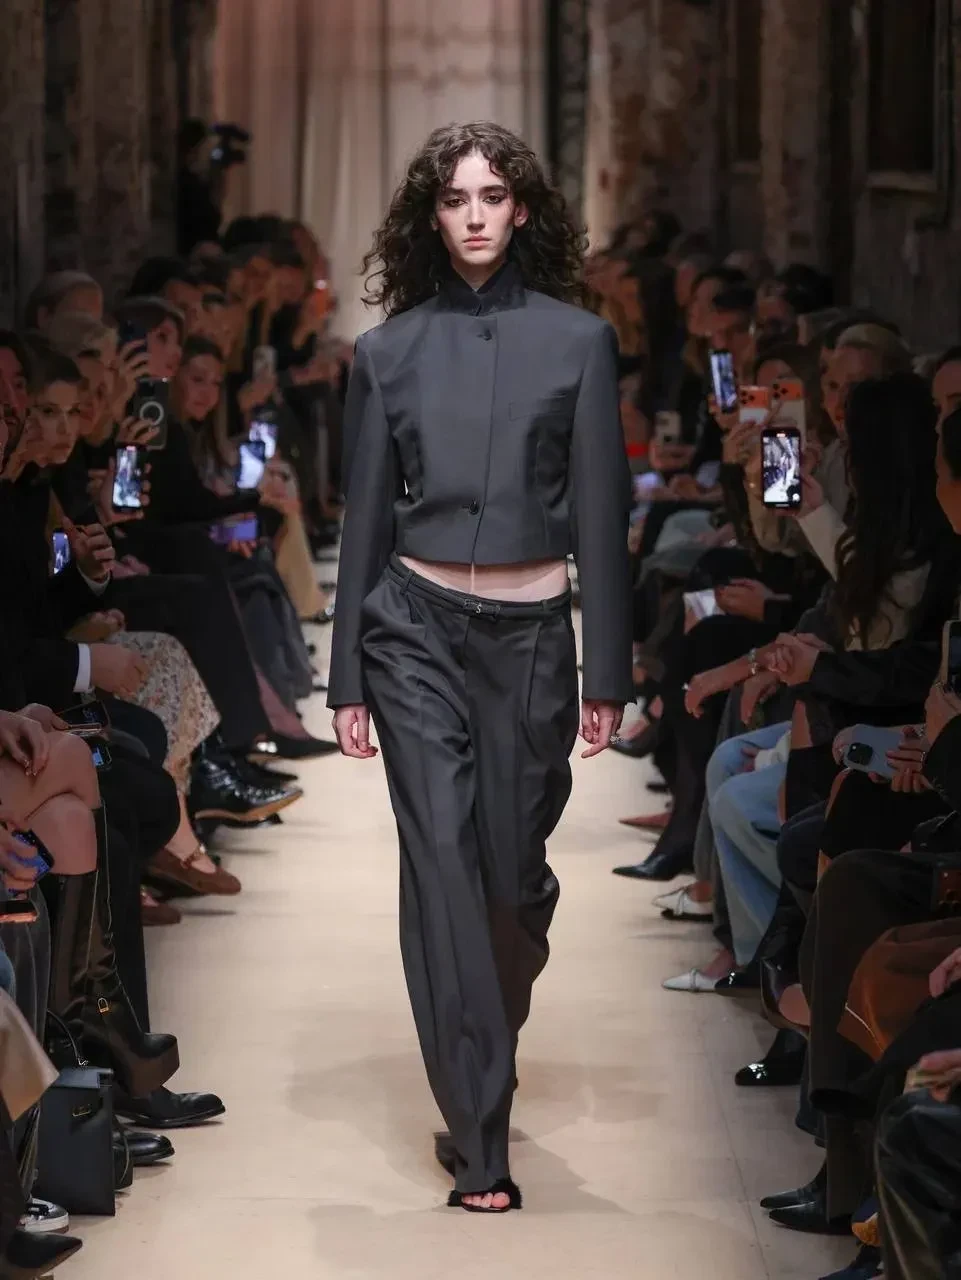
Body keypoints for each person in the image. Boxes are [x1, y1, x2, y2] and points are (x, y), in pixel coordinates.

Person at [328, 121, 633, 1212]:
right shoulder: (387, 353)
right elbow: (366, 516)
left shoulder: (579, 343)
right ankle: (480, 1137)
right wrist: (347, 677)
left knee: (511, 885)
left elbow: (601, 511)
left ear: (521, 211)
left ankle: (481, 1053)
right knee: (446, 874)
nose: (472, 215)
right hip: (411, 629)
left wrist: (607, 673)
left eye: (492, 196)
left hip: (533, 637)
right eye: (454, 197)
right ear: (430, 214)